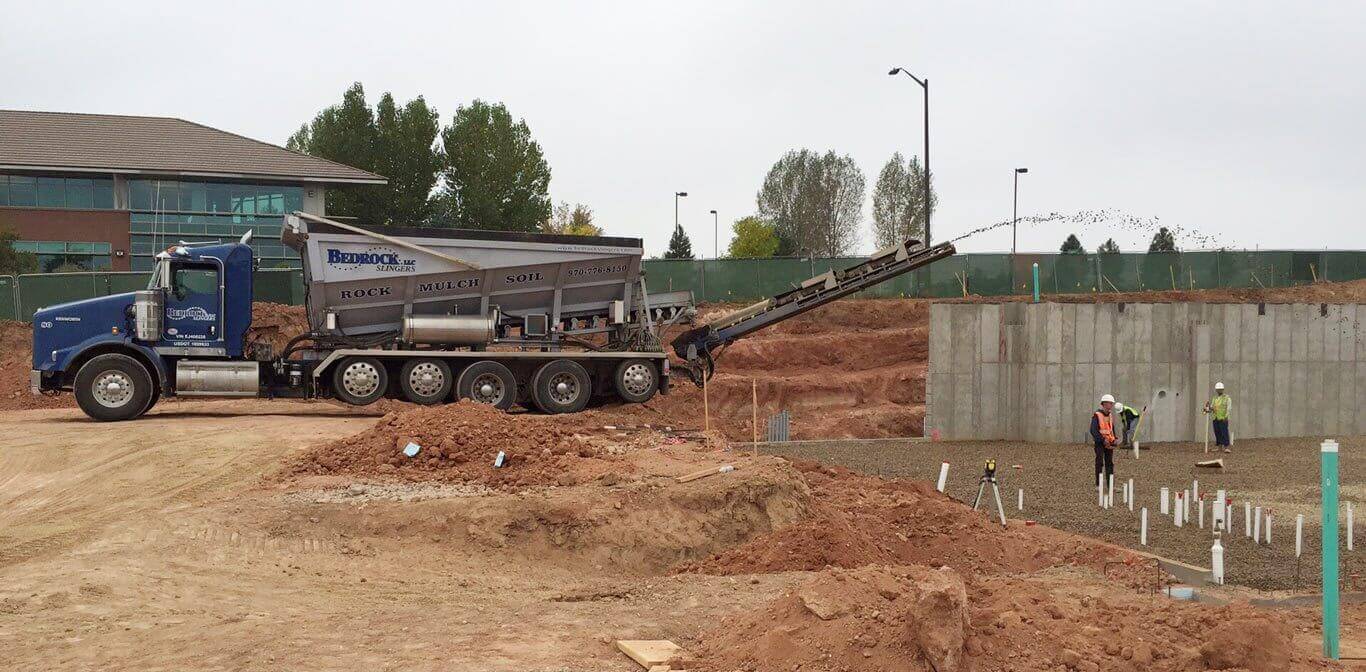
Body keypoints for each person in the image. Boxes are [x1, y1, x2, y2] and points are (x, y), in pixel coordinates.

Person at [1090, 394, 1119, 485]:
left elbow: (1111, 429)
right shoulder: (1097, 415)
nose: (1111, 405)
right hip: (1100, 443)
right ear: (1104, 404)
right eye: (1110, 403)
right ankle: (1098, 485)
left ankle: (1110, 485)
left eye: (1112, 403)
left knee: (1109, 463)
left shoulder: (1110, 415)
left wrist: (1114, 439)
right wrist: (1102, 440)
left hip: (1109, 443)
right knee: (1099, 463)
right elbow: (1093, 430)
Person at [1205, 382, 1232, 453]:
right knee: (1217, 433)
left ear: (1223, 389)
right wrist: (1208, 408)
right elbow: (1212, 407)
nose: (1219, 390)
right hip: (1215, 418)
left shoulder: (1227, 398)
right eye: (1218, 389)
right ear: (1216, 390)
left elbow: (1229, 408)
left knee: (1224, 432)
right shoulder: (1215, 398)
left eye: (1220, 389)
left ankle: (1226, 447)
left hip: (1223, 418)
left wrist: (1226, 416)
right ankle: (1219, 447)